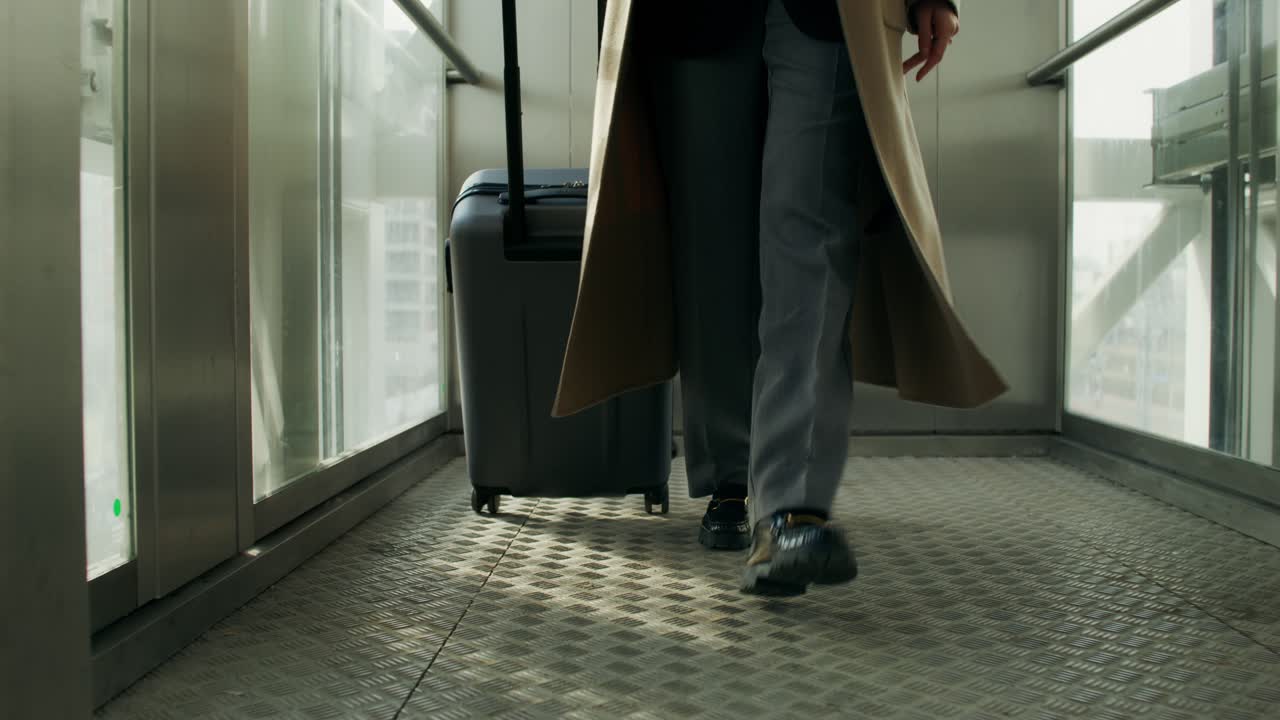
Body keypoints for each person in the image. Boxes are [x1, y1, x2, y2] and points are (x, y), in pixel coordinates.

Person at [552, 0, 1007, 596]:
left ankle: (792, 510)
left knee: (813, 236)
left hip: (832, 11)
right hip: (689, 22)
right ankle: (730, 479)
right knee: (711, 250)